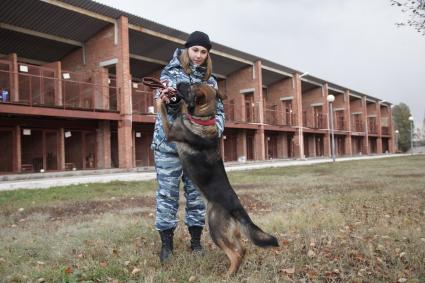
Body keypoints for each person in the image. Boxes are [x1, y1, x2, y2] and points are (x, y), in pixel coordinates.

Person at [150, 31, 225, 263]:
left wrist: (215, 130)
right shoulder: (169, 73)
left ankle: (195, 242)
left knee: (195, 196)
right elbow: (166, 99)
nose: (199, 55)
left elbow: (219, 112)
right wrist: (171, 98)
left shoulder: (210, 81)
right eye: (195, 50)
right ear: (186, 50)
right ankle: (167, 246)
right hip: (169, 146)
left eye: (204, 51)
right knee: (167, 195)